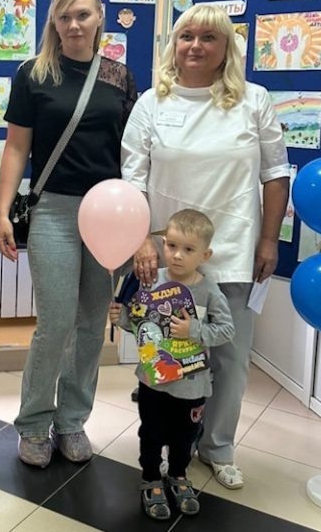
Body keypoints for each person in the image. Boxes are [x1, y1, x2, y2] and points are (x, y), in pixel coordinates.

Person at [121, 3, 290, 490]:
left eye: (209, 38)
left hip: (233, 252)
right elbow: (132, 179)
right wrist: (141, 241)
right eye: (187, 36)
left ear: (226, 48)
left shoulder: (253, 100)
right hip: (168, 258)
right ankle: (167, 445)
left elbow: (276, 174)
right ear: (174, 44)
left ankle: (217, 447)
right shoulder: (152, 103)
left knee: (229, 361)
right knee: (168, 351)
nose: (195, 45)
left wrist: (268, 239)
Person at [0, 0, 138, 468]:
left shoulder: (120, 77)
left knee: (92, 322)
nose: (74, 25)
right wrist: (2, 211)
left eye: (83, 15)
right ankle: (34, 424)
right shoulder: (33, 74)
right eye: (64, 17)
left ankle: (72, 420)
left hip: (109, 213)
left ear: (99, 19)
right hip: (53, 208)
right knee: (55, 321)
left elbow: (132, 152)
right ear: (53, 23)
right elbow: (16, 147)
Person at [109, 209, 234, 520]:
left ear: (205, 255)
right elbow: (141, 323)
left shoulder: (209, 290)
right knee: (151, 431)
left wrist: (194, 330)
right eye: (172, 246)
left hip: (192, 384)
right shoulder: (151, 282)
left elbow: (227, 331)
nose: (177, 255)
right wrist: (121, 318)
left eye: (188, 249)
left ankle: (178, 475)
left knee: (185, 434)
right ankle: (151, 478)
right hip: (152, 380)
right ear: (163, 244)